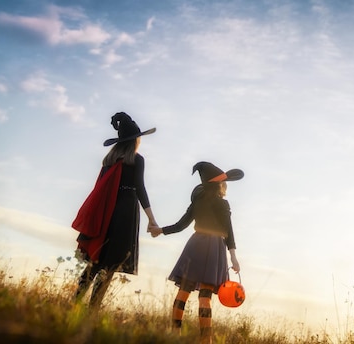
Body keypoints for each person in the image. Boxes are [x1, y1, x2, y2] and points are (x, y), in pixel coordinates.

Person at [149, 161, 243, 344]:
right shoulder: (222, 204)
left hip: (196, 245)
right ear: (220, 184)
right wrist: (233, 257)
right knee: (205, 298)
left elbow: (180, 225)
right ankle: (205, 340)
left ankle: (174, 333)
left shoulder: (197, 202)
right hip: (214, 250)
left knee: (183, 292)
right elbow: (229, 232)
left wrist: (160, 230)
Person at [72, 112, 158, 308]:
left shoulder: (109, 160)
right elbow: (140, 189)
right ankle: (92, 310)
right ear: (135, 140)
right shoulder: (137, 159)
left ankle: (75, 302)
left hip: (105, 213)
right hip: (125, 212)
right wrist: (152, 219)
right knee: (109, 266)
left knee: (95, 260)